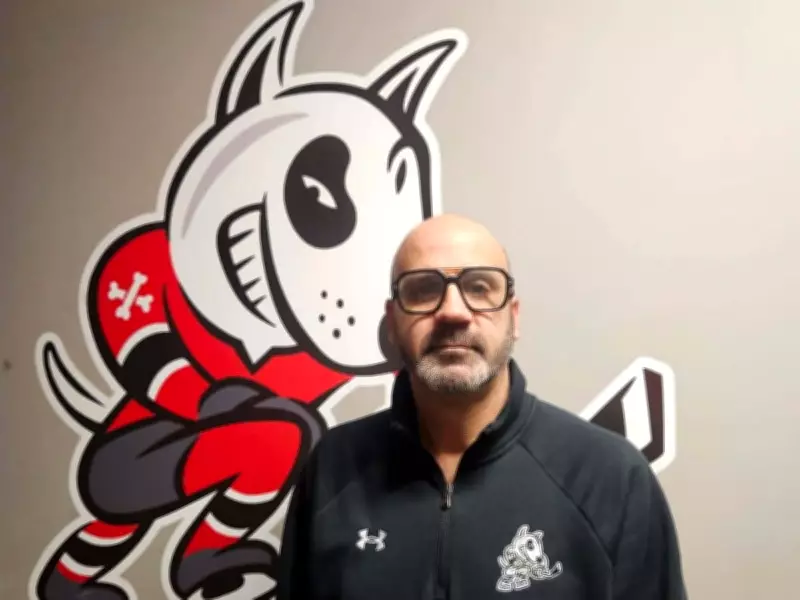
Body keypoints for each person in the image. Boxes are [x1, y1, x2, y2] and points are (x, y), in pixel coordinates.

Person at [276, 213, 688, 599]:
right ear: (393, 320)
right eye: (424, 290)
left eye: (479, 288)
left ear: (514, 316)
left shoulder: (611, 478)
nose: (453, 312)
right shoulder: (333, 469)